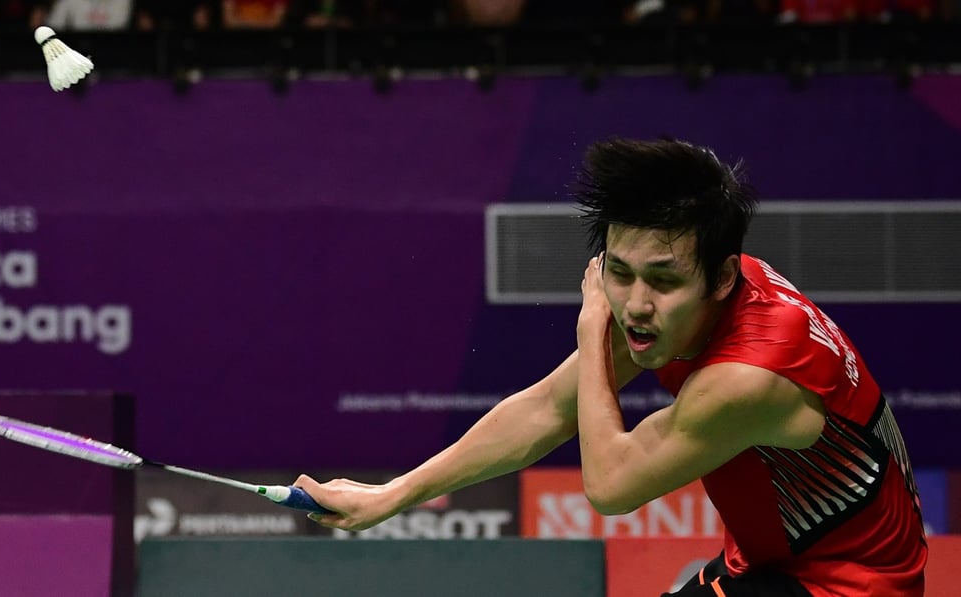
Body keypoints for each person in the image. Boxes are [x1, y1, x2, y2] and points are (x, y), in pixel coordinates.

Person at [296, 137, 927, 596]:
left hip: (848, 585)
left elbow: (611, 485)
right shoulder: (702, 296)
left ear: (722, 276)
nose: (637, 303)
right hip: (775, 562)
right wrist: (392, 494)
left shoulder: (748, 377)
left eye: (662, 280)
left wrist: (592, 323)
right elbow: (548, 408)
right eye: (618, 273)